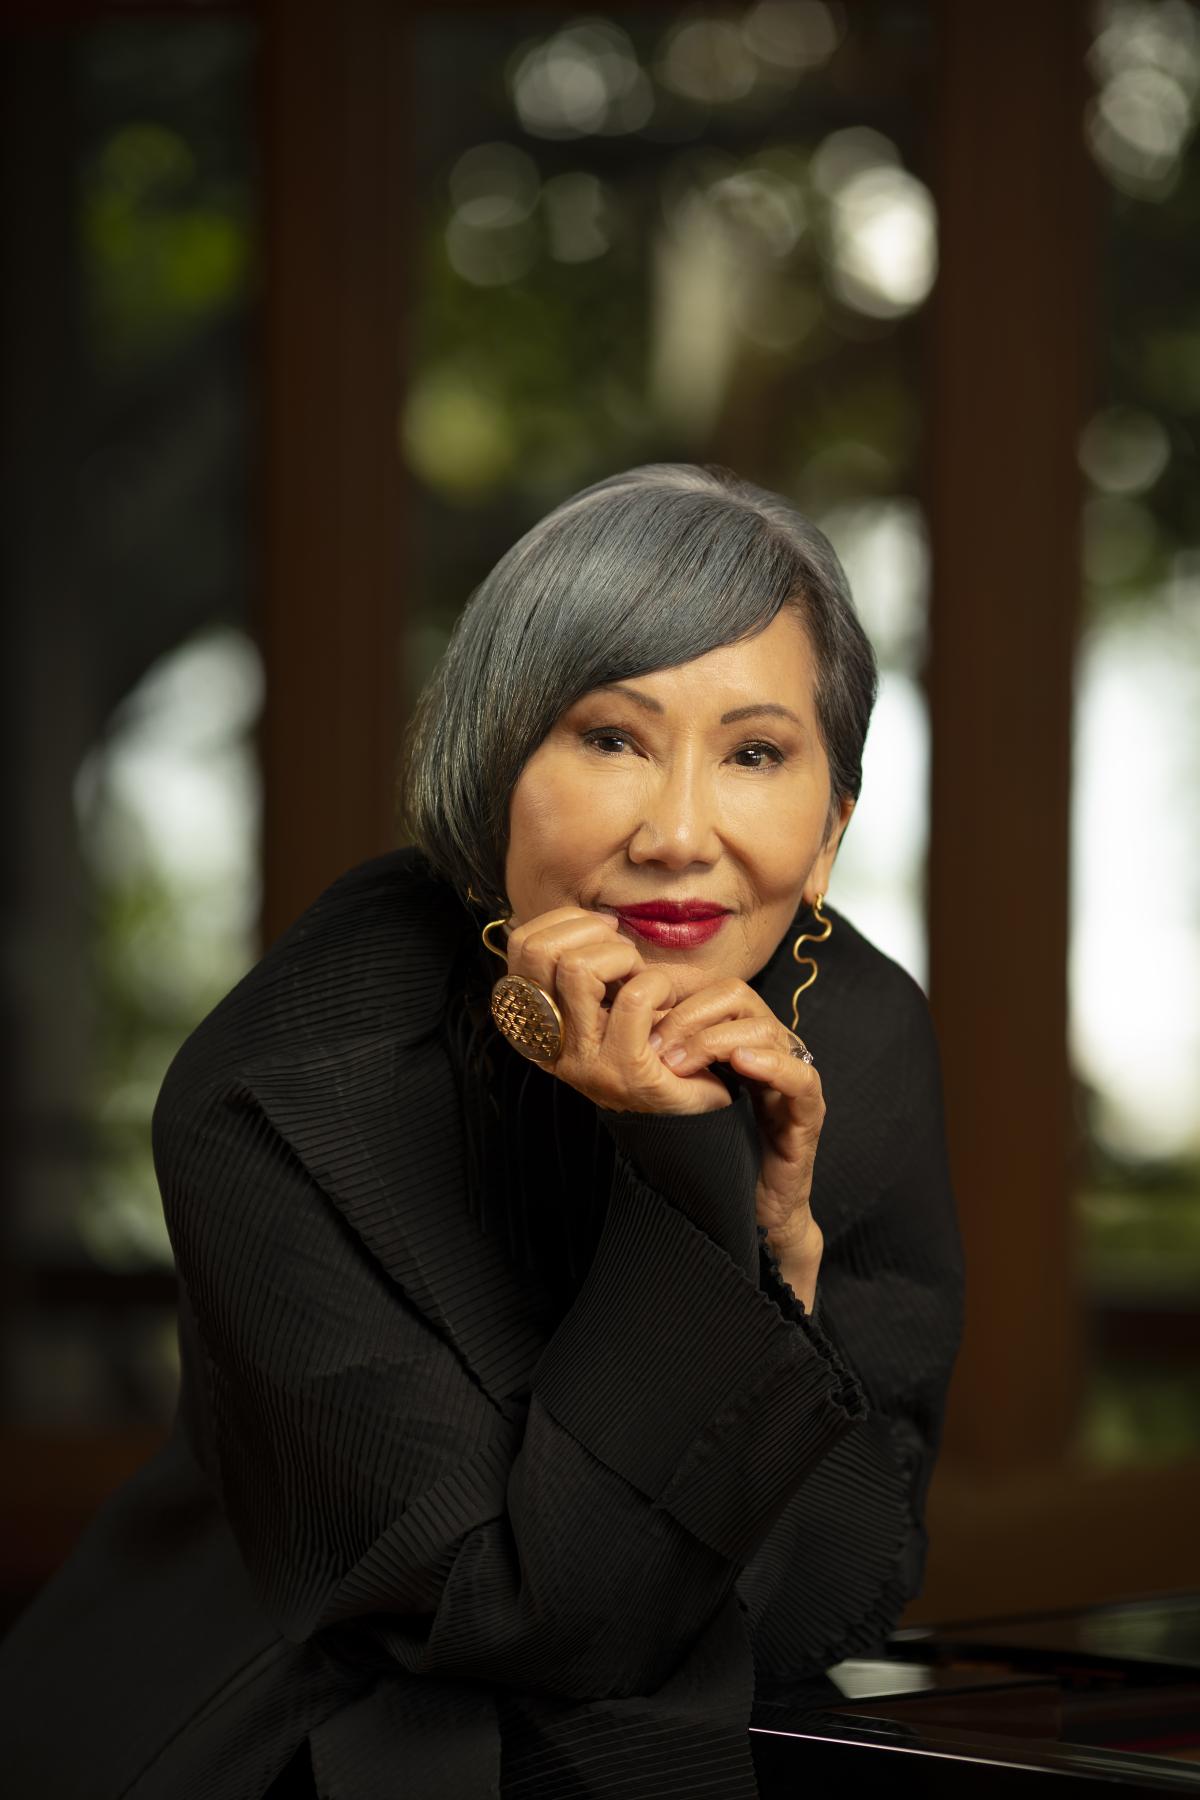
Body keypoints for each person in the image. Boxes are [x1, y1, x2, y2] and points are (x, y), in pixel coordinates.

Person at [0, 461, 963, 1798]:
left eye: (755, 753)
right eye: (612, 738)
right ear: (490, 770)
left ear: (830, 830)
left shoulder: (852, 1036)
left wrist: (784, 1254)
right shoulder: (291, 1085)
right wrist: (691, 1172)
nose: (680, 832)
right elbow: (525, 1626)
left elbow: (832, 1597)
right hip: (280, 1746)